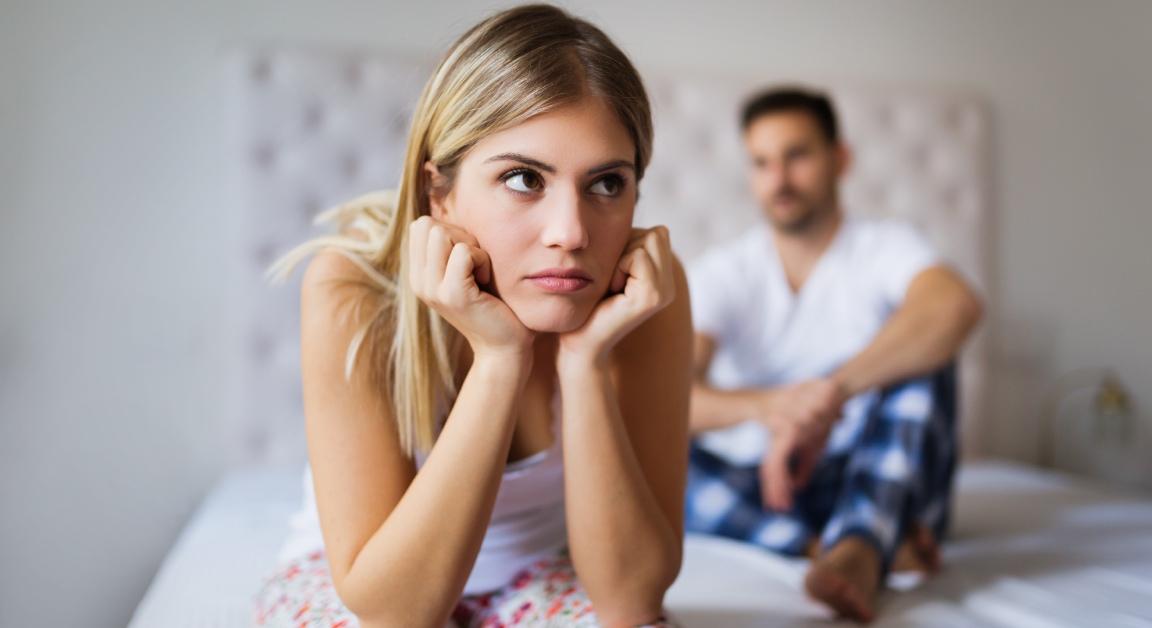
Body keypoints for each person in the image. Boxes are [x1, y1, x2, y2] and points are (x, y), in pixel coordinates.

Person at [253, 5, 692, 627]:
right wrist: (499, 359)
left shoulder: (645, 294)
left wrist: (586, 362)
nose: (570, 233)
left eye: (605, 184)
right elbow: (394, 613)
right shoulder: (355, 288)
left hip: (540, 575)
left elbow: (631, 602)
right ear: (440, 190)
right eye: (522, 178)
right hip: (366, 580)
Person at [684, 87, 984, 622]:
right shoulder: (726, 272)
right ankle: (830, 547)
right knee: (653, 453)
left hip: (884, 473)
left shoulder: (885, 246)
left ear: (838, 158)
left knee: (924, 359)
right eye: (761, 162)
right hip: (774, 485)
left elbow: (955, 307)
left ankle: (865, 542)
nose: (779, 179)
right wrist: (773, 409)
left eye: (796, 155)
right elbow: (669, 396)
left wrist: (829, 396)